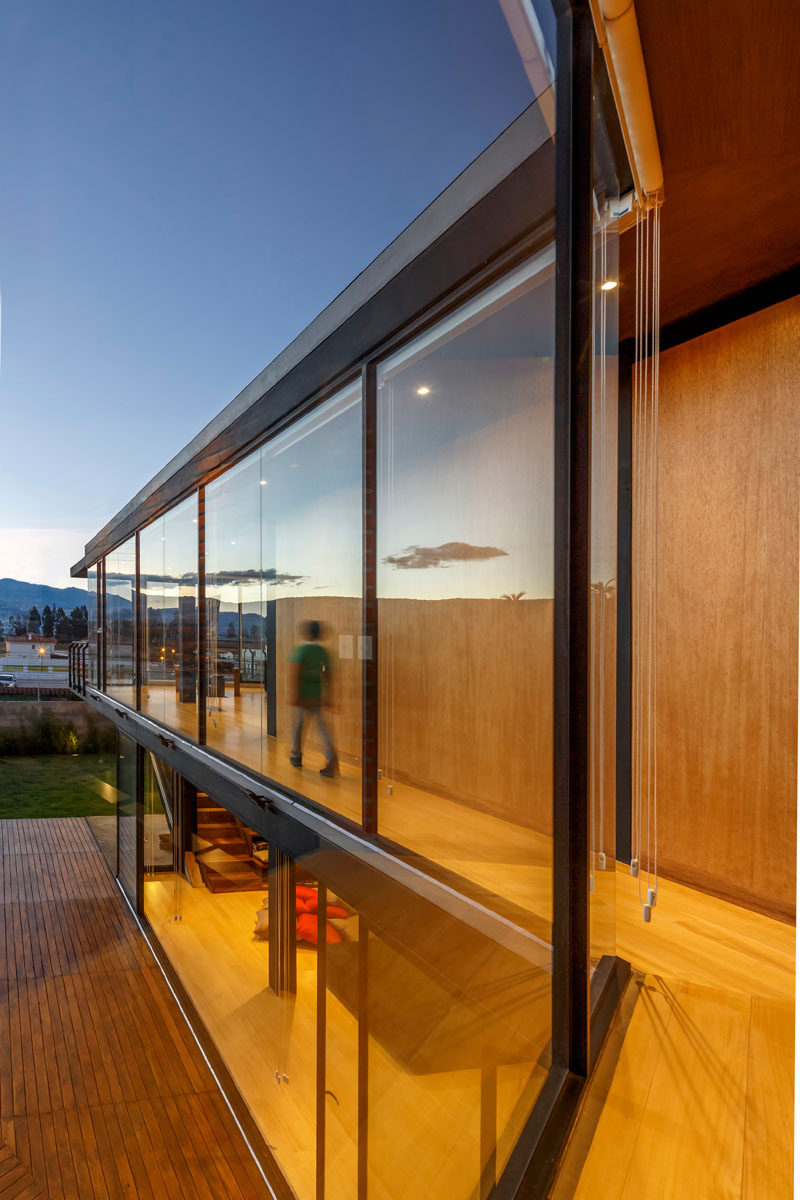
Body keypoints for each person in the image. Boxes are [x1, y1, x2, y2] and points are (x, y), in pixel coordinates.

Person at [288, 620, 338, 777]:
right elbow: (328, 675)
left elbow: (296, 673)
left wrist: (295, 694)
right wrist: (329, 696)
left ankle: (296, 756)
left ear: (308, 633)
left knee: (298, 727)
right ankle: (332, 760)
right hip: (318, 695)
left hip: (304, 695)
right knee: (323, 730)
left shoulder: (302, 650)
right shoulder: (323, 652)